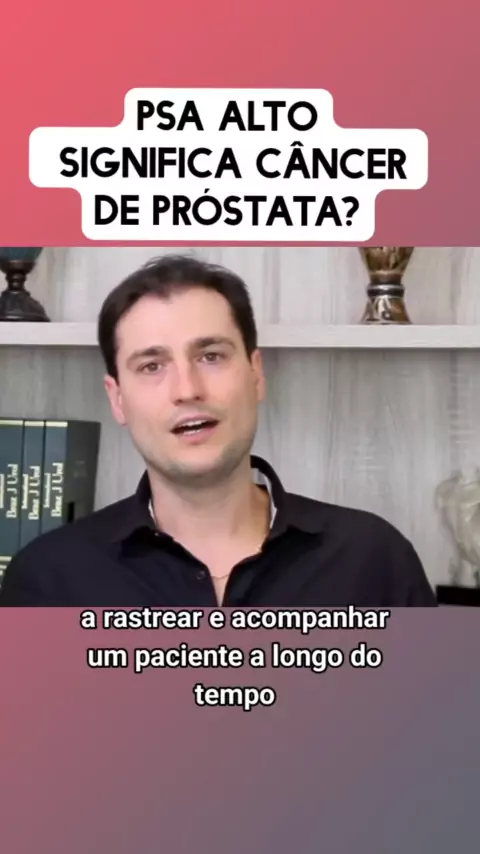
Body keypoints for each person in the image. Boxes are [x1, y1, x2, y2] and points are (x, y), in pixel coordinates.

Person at [0, 254, 436, 607]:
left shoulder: (373, 560)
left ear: (256, 373)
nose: (187, 389)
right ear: (117, 399)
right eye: (151, 366)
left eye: (210, 356)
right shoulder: (46, 582)